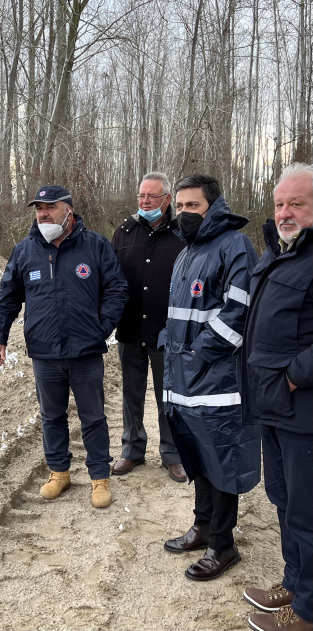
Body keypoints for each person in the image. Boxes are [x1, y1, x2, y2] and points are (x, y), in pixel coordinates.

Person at [0, 185, 128, 508]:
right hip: (45, 352)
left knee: (93, 417)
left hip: (86, 351)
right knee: (52, 416)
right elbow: (7, 297)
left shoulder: (95, 246)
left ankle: (99, 477)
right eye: (38, 207)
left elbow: (117, 289)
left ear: (68, 209)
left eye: (49, 206)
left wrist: (102, 328)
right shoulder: (25, 251)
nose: (43, 213)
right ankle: (59, 472)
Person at [159, 174, 260, 581]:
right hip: (183, 378)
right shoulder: (186, 251)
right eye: (179, 206)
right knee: (197, 456)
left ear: (212, 207)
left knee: (222, 462)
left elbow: (239, 311)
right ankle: (202, 526)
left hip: (215, 380)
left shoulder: (234, 245)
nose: (183, 213)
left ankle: (223, 544)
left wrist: (201, 352)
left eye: (192, 206)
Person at [241, 163, 313, 631]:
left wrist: (292, 376)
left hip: (303, 410)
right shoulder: (278, 253)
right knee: (283, 500)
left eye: (297, 203)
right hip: (271, 406)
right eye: (280, 203)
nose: (285, 212)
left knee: (308, 513)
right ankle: (295, 581)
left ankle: (307, 612)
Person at [111, 172, 187, 482]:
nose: (144, 202)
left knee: (168, 396)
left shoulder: (183, 235)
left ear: (167, 200)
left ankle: (172, 453)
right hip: (130, 329)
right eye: (141, 196)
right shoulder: (124, 233)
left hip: (166, 332)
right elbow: (111, 281)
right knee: (131, 394)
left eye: (151, 197)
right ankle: (132, 449)